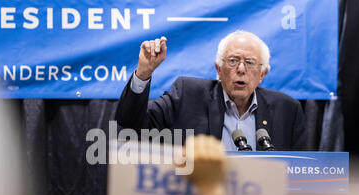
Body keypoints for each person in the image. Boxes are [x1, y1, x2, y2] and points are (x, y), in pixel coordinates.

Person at [115, 30, 307, 151]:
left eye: (249, 63)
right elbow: (130, 124)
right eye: (233, 61)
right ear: (218, 69)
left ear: (262, 74)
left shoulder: (287, 110)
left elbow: (301, 174)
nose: (241, 69)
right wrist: (143, 73)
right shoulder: (187, 95)